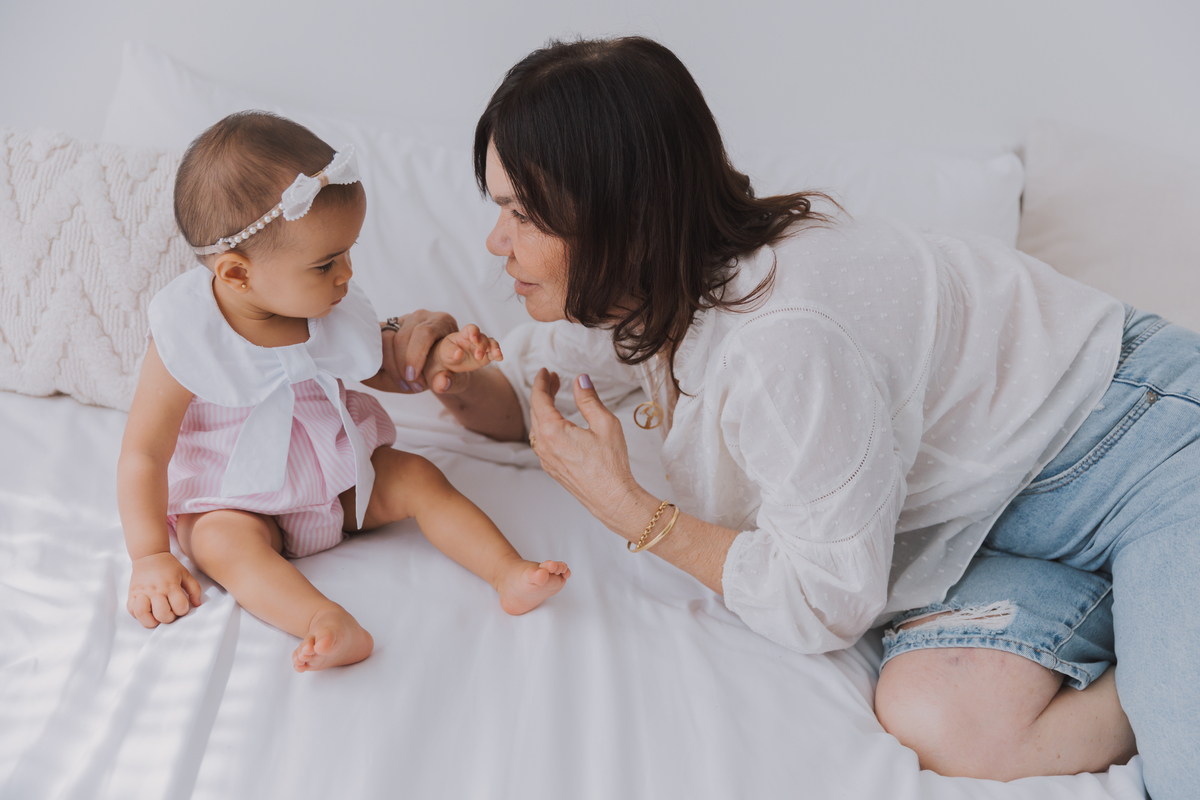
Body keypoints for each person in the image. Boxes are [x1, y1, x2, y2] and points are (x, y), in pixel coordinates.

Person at [374, 37, 1198, 798]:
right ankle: (1144, 617)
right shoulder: (652, 288)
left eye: (522, 214)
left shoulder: (784, 339)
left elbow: (825, 600)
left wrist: (636, 514)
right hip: (990, 515)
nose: (495, 241)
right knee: (945, 719)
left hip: (1144, 446)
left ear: (621, 216)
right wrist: (451, 376)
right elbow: (530, 391)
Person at [117, 111, 569, 673]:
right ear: (236, 274)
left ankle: (506, 572)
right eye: (327, 263)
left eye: (349, 253)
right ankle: (322, 620)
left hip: (337, 478)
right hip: (238, 499)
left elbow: (375, 365)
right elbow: (144, 454)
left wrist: (438, 358)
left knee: (418, 477)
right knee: (218, 543)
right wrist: (150, 556)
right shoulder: (188, 338)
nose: (346, 274)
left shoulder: (325, 306)